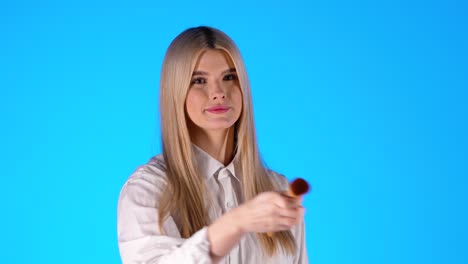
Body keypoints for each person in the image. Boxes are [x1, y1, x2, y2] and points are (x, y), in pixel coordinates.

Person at [117, 26, 308, 264]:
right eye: (199, 80)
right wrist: (237, 222)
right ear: (176, 92)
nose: (218, 92)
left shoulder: (276, 188)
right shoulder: (147, 190)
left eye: (229, 77)